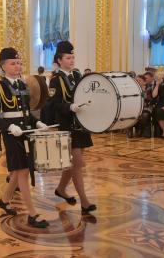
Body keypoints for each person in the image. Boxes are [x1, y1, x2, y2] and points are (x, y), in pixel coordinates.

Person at [0, 47, 50, 228]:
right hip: (12, 134)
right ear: (3, 66)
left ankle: (5, 200)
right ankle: (32, 214)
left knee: (17, 171)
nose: (17, 66)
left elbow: (25, 111)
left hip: (25, 132)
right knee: (22, 171)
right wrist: (9, 127)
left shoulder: (23, 85)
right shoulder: (0, 87)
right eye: (13, 63)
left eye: (19, 63)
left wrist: (37, 122)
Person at [48, 41, 97, 215]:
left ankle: (61, 189)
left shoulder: (77, 76)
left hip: (80, 124)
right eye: (68, 58)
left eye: (73, 57)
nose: (72, 60)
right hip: (67, 124)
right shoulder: (55, 80)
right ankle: (84, 201)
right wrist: (68, 107)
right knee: (77, 163)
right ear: (59, 60)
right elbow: (54, 103)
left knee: (73, 163)